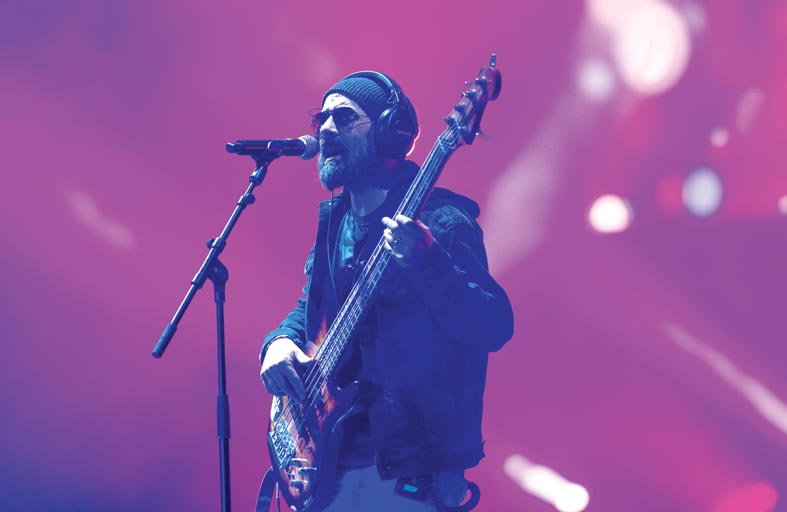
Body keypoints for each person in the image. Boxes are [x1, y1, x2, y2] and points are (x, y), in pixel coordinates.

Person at [259, 71, 514, 511]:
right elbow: (310, 310)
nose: (325, 129)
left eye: (343, 118)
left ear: (389, 132)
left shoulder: (442, 221)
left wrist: (429, 262)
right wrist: (278, 342)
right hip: (330, 468)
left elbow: (494, 325)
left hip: (408, 475)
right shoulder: (335, 224)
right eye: (321, 119)